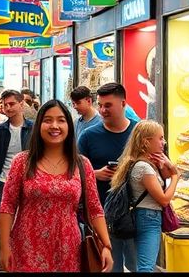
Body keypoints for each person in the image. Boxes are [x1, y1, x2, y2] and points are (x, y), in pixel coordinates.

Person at [0, 100, 113, 272]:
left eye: (61, 120)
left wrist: (106, 246)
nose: (54, 126)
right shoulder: (22, 162)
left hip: (69, 249)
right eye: (47, 120)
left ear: (69, 125)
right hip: (27, 248)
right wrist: (4, 246)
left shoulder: (82, 164)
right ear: (39, 126)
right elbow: (7, 206)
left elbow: (95, 208)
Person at [77, 82, 138, 272]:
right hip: (102, 214)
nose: (102, 110)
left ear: (123, 104)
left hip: (136, 213)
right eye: (100, 105)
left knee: (140, 265)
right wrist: (95, 174)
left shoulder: (139, 133)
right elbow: (74, 173)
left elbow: (157, 167)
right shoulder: (88, 136)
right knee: (109, 266)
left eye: (108, 105)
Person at [110, 120, 179, 272]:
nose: (164, 142)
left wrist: (166, 164)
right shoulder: (144, 168)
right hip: (149, 217)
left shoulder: (141, 163)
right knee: (146, 267)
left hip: (143, 216)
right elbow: (164, 199)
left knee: (142, 265)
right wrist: (175, 176)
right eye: (160, 138)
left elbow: (164, 175)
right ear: (146, 142)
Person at [0, 90, 33, 237]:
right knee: (3, 220)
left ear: (21, 104)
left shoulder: (34, 129)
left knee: (27, 221)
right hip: (3, 181)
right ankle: (5, 251)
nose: (8, 108)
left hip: (28, 181)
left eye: (12, 104)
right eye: (5, 105)